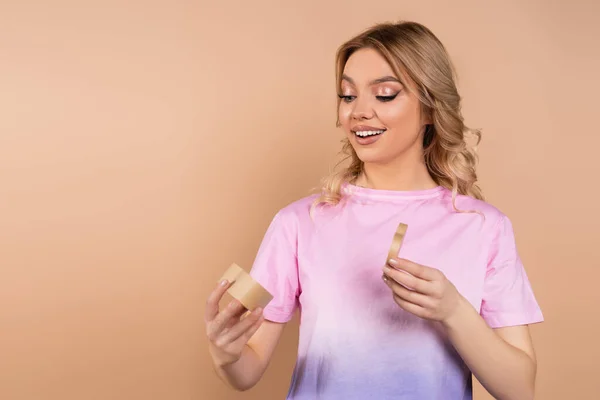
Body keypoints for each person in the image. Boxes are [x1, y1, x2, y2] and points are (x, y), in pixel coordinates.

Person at [204, 20, 544, 400]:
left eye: (384, 95)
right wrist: (226, 354)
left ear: (431, 108)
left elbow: (519, 390)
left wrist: (453, 311)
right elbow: (247, 370)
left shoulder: (483, 228)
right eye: (347, 96)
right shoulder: (299, 223)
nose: (359, 112)